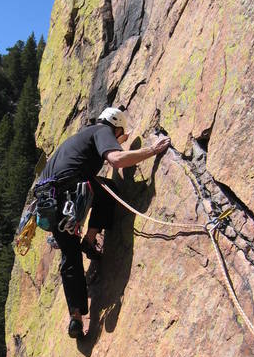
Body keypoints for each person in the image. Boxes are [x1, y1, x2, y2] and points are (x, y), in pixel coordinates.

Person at [37, 107, 170, 338]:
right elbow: (116, 160)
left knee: (70, 255)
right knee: (108, 191)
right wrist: (151, 151)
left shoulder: (78, 138)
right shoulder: (102, 130)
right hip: (70, 188)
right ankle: (90, 240)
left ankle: (76, 317)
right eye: (119, 135)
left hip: (48, 200)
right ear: (115, 127)